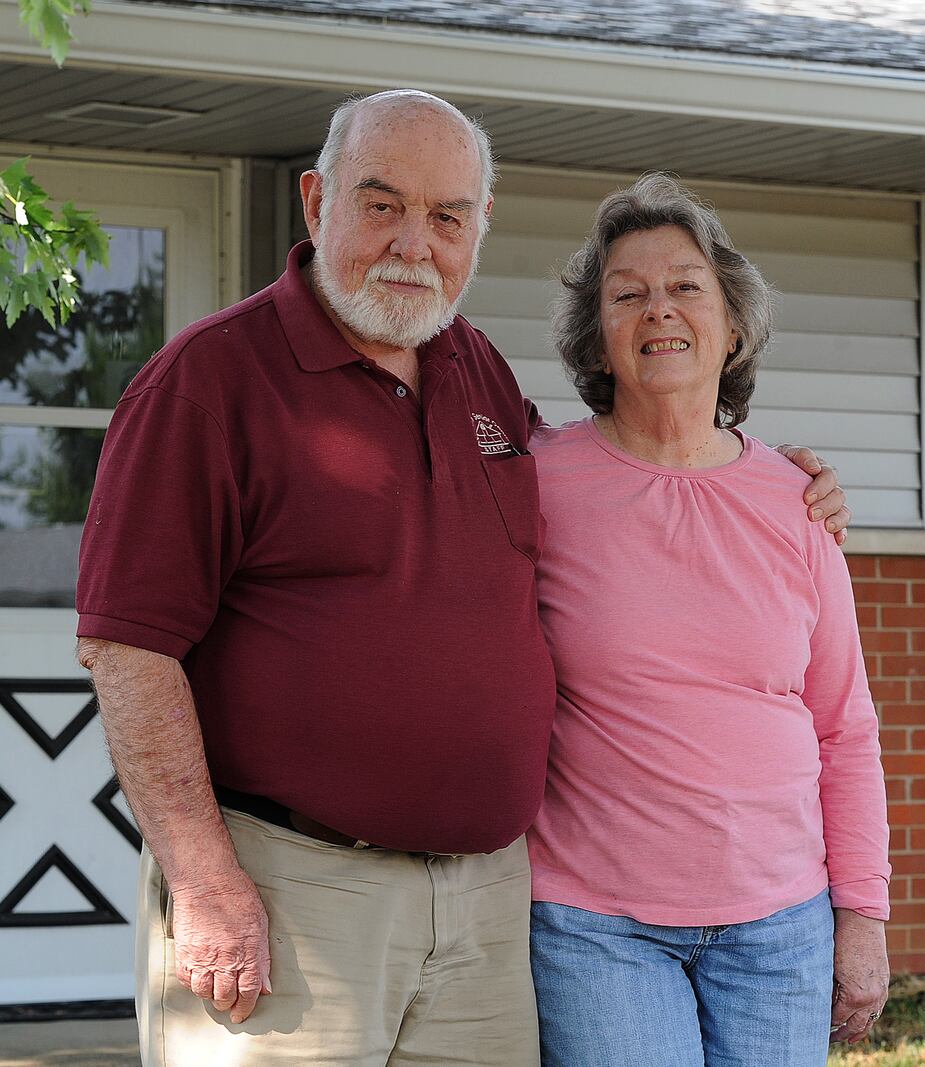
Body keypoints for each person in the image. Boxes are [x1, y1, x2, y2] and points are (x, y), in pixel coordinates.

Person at [74, 92, 850, 1067]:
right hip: (296, 891)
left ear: (480, 227)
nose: (414, 242)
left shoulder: (472, 369)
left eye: (447, 216)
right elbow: (127, 643)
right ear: (316, 201)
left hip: (485, 908)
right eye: (382, 203)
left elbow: (633, 480)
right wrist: (204, 881)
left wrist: (778, 477)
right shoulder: (209, 381)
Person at [524, 173, 891, 1067]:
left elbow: (844, 727)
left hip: (782, 929)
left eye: (687, 286)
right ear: (596, 339)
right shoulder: (537, 484)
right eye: (628, 293)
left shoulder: (798, 501)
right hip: (597, 925)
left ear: (732, 327)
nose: (661, 310)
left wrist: (863, 915)